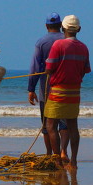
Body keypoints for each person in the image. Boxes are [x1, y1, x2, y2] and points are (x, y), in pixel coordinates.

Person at [43, 15, 91, 168]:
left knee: (51, 125)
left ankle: (57, 159)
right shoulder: (84, 47)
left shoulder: (58, 45)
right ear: (79, 29)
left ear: (63, 28)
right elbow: (85, 70)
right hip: (74, 92)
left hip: (58, 91)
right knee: (72, 126)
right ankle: (74, 161)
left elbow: (49, 69)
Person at [27, 13, 66, 154]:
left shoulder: (41, 42)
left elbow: (35, 67)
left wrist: (31, 88)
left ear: (46, 26)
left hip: (46, 89)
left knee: (47, 125)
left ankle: (50, 153)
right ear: (61, 25)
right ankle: (63, 152)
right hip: (65, 88)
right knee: (64, 124)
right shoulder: (67, 40)